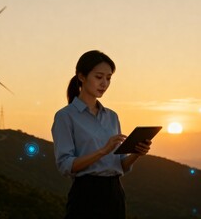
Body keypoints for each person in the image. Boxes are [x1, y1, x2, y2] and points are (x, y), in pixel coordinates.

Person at [51, 50, 152, 219]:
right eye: (99, 77)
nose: (104, 83)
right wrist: (102, 151)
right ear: (82, 77)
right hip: (86, 194)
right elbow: (65, 165)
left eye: (108, 78)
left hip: (115, 193)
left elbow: (121, 165)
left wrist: (137, 152)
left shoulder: (112, 116)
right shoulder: (65, 116)